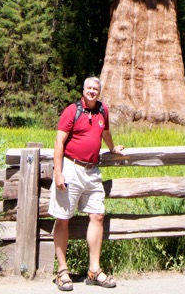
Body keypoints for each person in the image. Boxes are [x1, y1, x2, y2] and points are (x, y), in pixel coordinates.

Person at [49, 77, 125, 291]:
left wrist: (112, 149)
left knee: (97, 215)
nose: (92, 92)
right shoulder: (71, 111)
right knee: (63, 218)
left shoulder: (103, 111)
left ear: (99, 92)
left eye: (95, 89)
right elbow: (59, 142)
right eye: (89, 88)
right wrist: (58, 172)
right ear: (83, 91)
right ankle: (62, 272)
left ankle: (94, 270)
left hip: (92, 170)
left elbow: (106, 133)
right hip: (71, 168)